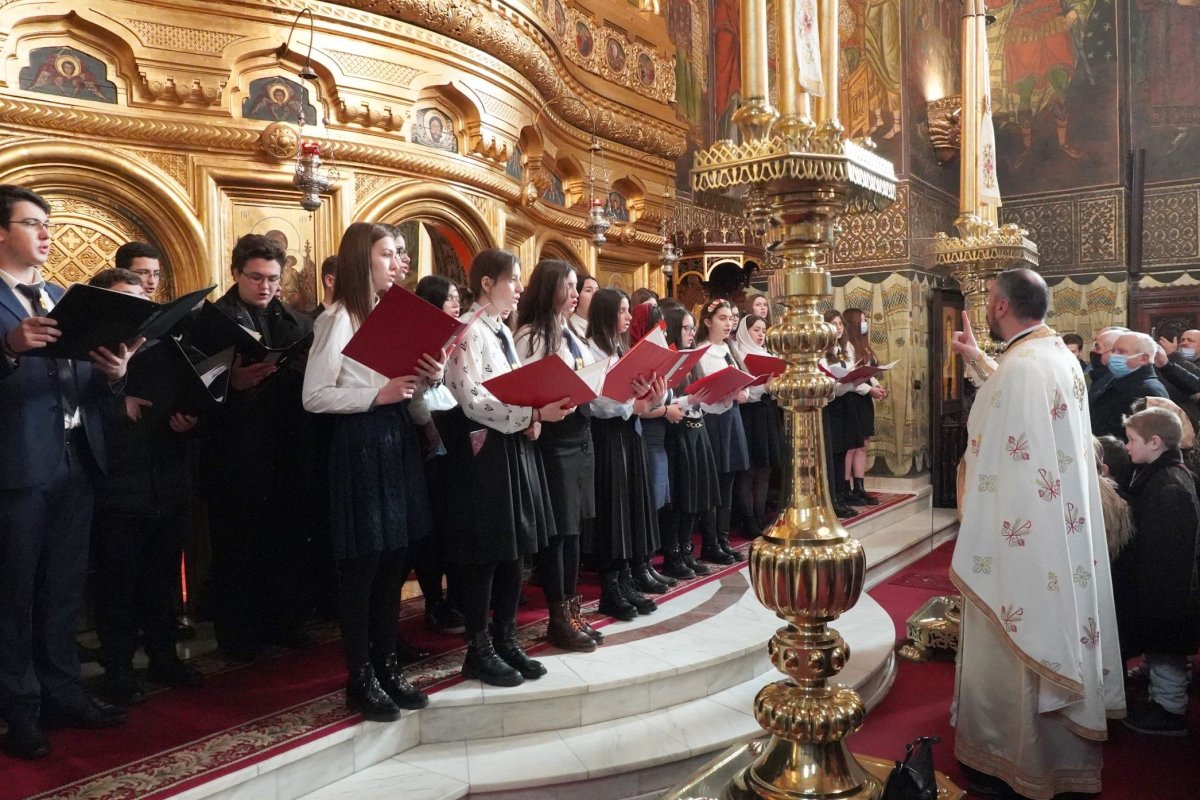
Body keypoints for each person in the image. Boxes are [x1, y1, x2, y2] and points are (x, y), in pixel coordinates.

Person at [949, 267, 1124, 800]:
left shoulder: (1022, 368)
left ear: (1001, 306)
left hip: (1021, 540)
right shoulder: (1055, 357)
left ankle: (1013, 759)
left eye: (990, 301)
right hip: (1058, 528)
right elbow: (1019, 417)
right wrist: (980, 362)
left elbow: (1000, 446)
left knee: (1016, 625)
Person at [0, 185, 141, 759]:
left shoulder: (60, 296)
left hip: (75, 462)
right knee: (14, 596)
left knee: (63, 591)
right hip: (18, 467)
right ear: (2, 232)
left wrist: (113, 372)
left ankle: (64, 693)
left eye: (47, 223)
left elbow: (82, 384)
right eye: (32, 222)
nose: (45, 232)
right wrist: (7, 349)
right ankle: (20, 709)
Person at [302, 222, 436, 720]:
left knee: (393, 562)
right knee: (365, 565)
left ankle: (388, 665)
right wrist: (374, 395)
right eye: (386, 254)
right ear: (362, 260)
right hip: (360, 442)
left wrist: (428, 375)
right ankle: (360, 677)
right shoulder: (337, 318)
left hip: (395, 436)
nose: (396, 261)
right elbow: (313, 396)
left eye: (398, 253)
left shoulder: (386, 313)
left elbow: (402, 383)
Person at [442, 249, 572, 687]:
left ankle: (506, 637)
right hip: (486, 454)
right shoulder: (469, 331)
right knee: (489, 552)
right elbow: (471, 397)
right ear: (485, 283)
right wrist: (530, 417)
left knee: (516, 549)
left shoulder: (501, 329)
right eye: (512, 279)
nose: (519, 288)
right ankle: (478, 649)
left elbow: (515, 388)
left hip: (514, 446)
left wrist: (532, 415)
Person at [85, 269, 202, 707]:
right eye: (124, 301)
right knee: (118, 587)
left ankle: (163, 656)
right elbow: (78, 416)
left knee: (161, 582)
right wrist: (117, 395)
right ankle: (117, 668)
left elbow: (187, 398)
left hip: (167, 482)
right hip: (117, 488)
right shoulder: (87, 351)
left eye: (141, 302)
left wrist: (190, 422)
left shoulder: (167, 346)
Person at [199, 233, 315, 662]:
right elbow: (194, 389)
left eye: (273, 278)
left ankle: (285, 623)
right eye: (256, 277)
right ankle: (240, 637)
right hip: (235, 454)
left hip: (286, 447)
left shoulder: (298, 322)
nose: (265, 286)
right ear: (236, 273)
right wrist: (232, 382)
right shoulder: (212, 321)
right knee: (237, 548)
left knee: (284, 542)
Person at [514, 261, 601, 650]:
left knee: (576, 530)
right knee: (559, 534)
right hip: (554, 438)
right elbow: (524, 388)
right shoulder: (531, 334)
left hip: (580, 433)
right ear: (549, 289)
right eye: (566, 286)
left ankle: (572, 611)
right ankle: (557, 617)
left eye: (574, 286)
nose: (572, 294)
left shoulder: (569, 331)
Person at [584, 289, 667, 618]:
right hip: (607, 438)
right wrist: (638, 404)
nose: (629, 317)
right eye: (621, 311)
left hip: (628, 435)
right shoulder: (591, 351)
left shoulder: (617, 350)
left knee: (631, 509)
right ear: (606, 314)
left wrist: (653, 396)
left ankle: (626, 580)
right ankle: (610, 589)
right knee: (612, 513)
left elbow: (629, 397)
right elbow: (598, 401)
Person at [1119, 407, 1200, 737]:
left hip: (1169, 592)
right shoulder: (1159, 474)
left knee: (1167, 647)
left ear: (1155, 442)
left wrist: (1157, 600)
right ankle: (1159, 683)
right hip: (1160, 585)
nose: (1126, 447)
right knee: (1160, 648)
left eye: (1131, 440)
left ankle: (1169, 708)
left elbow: (1171, 553)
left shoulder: (1170, 486)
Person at [411, 274, 466, 636]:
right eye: (449, 299)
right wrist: (429, 428)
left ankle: (455, 598)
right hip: (428, 435)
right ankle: (434, 602)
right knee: (431, 527)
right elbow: (415, 397)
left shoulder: (455, 339)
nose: (456, 305)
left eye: (459, 298)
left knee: (453, 521)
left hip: (452, 429)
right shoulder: (419, 337)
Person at [659, 303, 722, 579]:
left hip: (698, 429)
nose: (690, 332)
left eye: (691, 327)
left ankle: (687, 550)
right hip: (677, 431)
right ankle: (672, 554)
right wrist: (690, 400)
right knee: (680, 498)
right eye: (685, 327)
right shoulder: (668, 359)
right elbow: (665, 401)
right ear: (673, 328)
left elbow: (700, 399)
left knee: (696, 495)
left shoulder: (692, 359)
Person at [693, 298, 751, 563]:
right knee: (714, 483)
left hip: (731, 416)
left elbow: (744, 381)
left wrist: (743, 391)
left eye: (730, 319)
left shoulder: (729, 349)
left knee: (729, 481)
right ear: (707, 321)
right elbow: (701, 391)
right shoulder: (702, 351)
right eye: (722, 318)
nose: (728, 324)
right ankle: (710, 542)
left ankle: (723, 538)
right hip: (713, 420)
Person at [731, 314, 783, 532]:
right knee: (750, 469)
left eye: (763, 330)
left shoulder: (767, 355)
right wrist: (765, 388)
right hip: (748, 415)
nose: (761, 335)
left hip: (767, 413)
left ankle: (760, 516)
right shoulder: (739, 355)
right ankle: (748, 519)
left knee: (765, 468)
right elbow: (743, 392)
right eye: (756, 330)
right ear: (745, 331)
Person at [840, 308, 886, 506]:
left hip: (865, 398)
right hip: (852, 398)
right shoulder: (847, 346)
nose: (865, 323)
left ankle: (860, 487)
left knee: (863, 445)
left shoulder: (863, 345)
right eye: (862, 320)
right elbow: (852, 377)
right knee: (851, 445)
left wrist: (877, 386)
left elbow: (867, 372)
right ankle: (846, 488)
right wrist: (869, 390)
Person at [1090, 331, 1168, 440]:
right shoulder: (1115, 381)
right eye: (1113, 351)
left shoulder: (1149, 392)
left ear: (1143, 358)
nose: (1113, 356)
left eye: (1121, 352)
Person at [568, 269, 599, 338]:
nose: (595, 294)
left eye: (597, 290)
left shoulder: (599, 327)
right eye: (588, 290)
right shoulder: (572, 328)